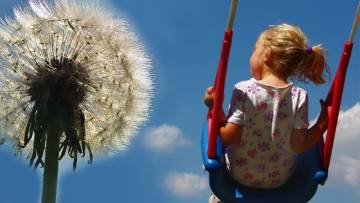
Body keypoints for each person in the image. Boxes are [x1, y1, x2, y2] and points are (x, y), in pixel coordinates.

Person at [205, 23, 329, 202]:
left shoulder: (244, 90)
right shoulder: (299, 95)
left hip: (239, 175)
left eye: (254, 50)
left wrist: (214, 108)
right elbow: (300, 145)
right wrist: (323, 122)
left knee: (211, 129)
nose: (251, 55)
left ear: (267, 54)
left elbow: (229, 137)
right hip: (279, 180)